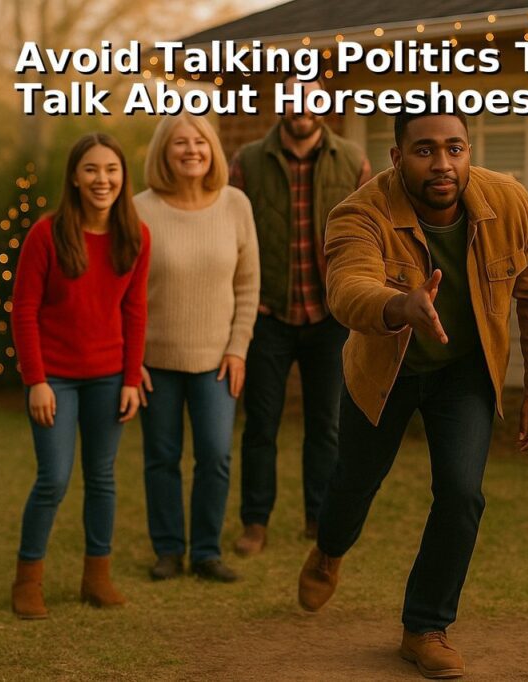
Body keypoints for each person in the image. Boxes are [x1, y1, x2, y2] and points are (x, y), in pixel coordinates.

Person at [296, 111, 528, 678]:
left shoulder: (507, 202)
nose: (442, 163)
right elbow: (347, 290)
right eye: (424, 150)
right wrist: (399, 306)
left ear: (469, 151)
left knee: (463, 495)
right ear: (397, 158)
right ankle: (329, 550)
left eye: (455, 148)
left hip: (463, 371)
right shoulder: (359, 213)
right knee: (353, 483)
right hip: (383, 372)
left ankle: (425, 626)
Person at [228, 73, 371, 554]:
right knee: (261, 425)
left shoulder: (352, 160)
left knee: (325, 425)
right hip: (268, 314)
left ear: (324, 103)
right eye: (292, 96)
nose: (301, 105)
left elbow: (370, 231)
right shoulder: (247, 161)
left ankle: (318, 518)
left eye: (311, 96)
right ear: (280, 105)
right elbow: (232, 234)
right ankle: (255, 523)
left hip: (329, 317)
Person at [10, 133, 150, 619]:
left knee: (103, 478)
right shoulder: (46, 235)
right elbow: (23, 310)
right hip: (56, 380)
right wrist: (37, 380)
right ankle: (28, 579)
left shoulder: (136, 234)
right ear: (74, 176)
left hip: (109, 377)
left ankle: (97, 577)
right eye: (91, 169)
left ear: (123, 177)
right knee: (53, 478)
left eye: (111, 170)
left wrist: (131, 377)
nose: (102, 179)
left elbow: (134, 309)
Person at [134, 114, 260, 583]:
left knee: (215, 455)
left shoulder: (235, 205)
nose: (191, 150)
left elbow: (248, 285)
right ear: (163, 152)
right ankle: (168, 550)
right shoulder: (140, 208)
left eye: (200, 142)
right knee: (161, 457)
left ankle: (206, 551)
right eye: (180, 143)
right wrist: (132, 360)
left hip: (217, 362)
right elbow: (124, 292)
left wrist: (238, 349)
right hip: (154, 363)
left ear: (213, 150)